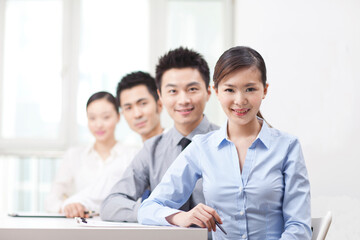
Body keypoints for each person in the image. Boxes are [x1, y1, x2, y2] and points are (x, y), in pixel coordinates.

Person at [138, 46, 312, 240]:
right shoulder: (202, 147)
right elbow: (148, 209)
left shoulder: (287, 147)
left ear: (265, 90)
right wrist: (182, 216)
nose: (240, 100)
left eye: (250, 89)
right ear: (216, 92)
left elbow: (299, 226)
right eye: (230, 89)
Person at [100, 47, 219, 222]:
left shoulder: (228, 142)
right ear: (160, 96)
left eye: (192, 89)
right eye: (173, 91)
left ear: (208, 92)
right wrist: (162, 214)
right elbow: (111, 205)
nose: (183, 100)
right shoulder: (152, 149)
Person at [45, 91, 139, 218]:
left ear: (118, 117)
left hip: (118, 228)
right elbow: (51, 200)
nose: (99, 125)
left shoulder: (131, 155)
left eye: (106, 117)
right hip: (80, 228)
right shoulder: (74, 155)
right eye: (92, 118)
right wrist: (67, 207)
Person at [116, 71, 163, 142]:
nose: (137, 114)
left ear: (159, 104)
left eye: (143, 104)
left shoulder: (181, 146)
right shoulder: (129, 150)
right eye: (128, 108)